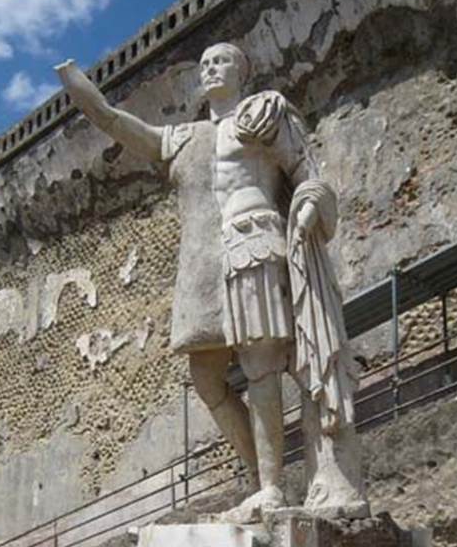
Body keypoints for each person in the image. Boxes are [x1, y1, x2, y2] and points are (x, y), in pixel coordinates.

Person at [56, 42, 368, 522]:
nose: (209, 68)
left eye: (219, 60)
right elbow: (122, 126)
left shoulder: (263, 112)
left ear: (242, 70)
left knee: (261, 365)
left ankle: (270, 488)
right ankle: (260, 476)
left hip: (256, 245)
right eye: (202, 63)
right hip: (208, 269)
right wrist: (89, 100)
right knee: (206, 377)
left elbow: (308, 172)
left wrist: (309, 204)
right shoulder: (185, 137)